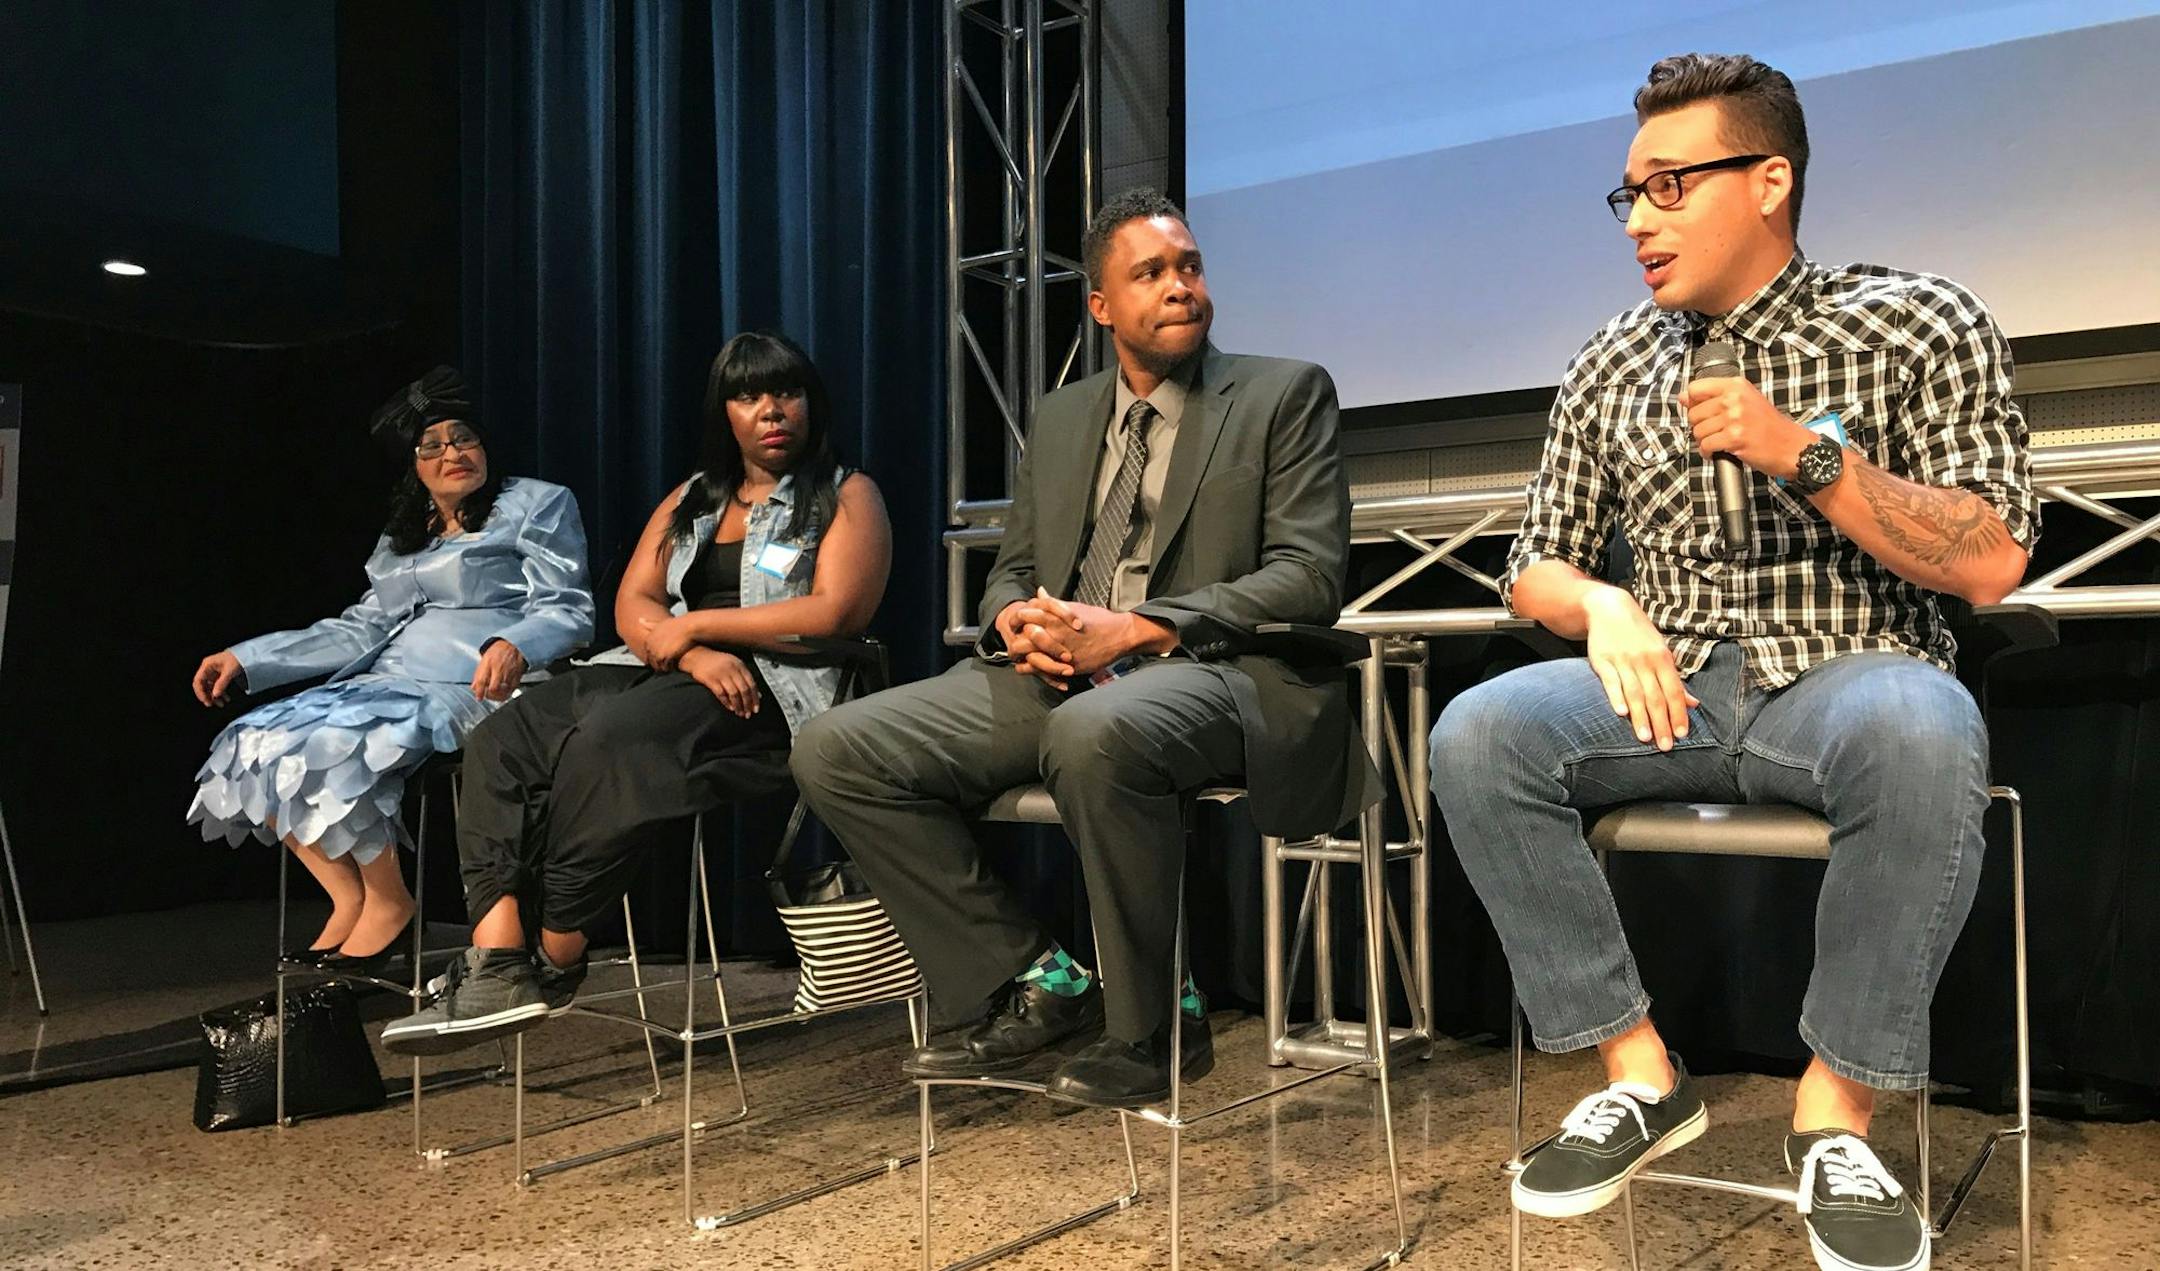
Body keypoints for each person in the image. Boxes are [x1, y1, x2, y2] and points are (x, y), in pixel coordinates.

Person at [1428, 54, 2037, 1271]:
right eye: (1628, 196)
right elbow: (1531, 564)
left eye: (1668, 186)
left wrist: (1801, 454)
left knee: (1927, 730)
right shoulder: (1611, 359)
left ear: (1768, 181)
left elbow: (1992, 557)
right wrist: (1601, 602)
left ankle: (1835, 1112)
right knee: (1478, 735)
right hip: (1676, 682)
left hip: (1850, 671)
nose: (1640, 221)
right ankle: (1639, 1072)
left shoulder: (1916, 316)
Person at [789, 188, 1377, 1110]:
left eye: (1188, 266)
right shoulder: (1062, 418)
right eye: (1150, 273)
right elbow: (1011, 570)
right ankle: (1036, 979)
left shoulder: (1281, 392)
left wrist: (1146, 624)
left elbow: (1308, 578)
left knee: (1097, 729)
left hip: (1218, 674)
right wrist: (1013, 620)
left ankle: (1153, 1023)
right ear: (1102, 305)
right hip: (1063, 676)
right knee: (836, 746)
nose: (1180, 286)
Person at [381, 332, 891, 1055]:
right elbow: (634, 604)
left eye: (787, 392)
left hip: (774, 691)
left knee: (608, 740)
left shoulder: (846, 492)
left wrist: (699, 631)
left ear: (811, 402)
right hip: (664, 670)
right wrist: (688, 653)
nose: (771, 410)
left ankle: (557, 950)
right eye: (749, 395)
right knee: (500, 736)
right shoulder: (692, 496)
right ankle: (497, 957)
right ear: (726, 412)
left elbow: (835, 612)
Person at [188, 367, 594, 976]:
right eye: (432, 446)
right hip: (385, 681)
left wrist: (515, 642)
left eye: (463, 438)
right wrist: (249, 657)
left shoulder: (534, 503)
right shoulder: (404, 537)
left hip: (475, 685)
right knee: (255, 746)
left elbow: (568, 608)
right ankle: (348, 898)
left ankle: (389, 903)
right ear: (414, 466)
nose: (452, 452)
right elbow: (359, 629)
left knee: (341, 746)